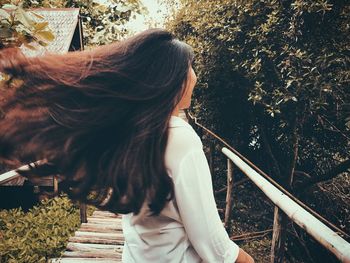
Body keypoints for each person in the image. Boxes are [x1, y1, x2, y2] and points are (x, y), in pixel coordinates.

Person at [0, 28, 254, 262]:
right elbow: (211, 242)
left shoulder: (136, 131)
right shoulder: (181, 139)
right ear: (171, 80)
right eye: (190, 68)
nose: (195, 77)